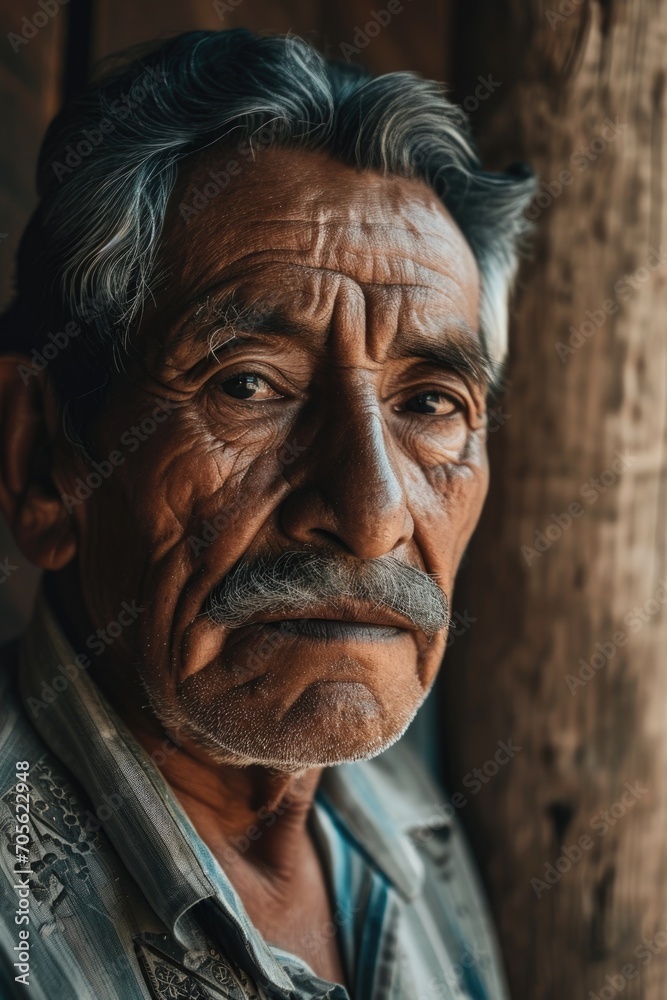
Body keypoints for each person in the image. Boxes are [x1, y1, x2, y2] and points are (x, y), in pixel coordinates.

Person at [0, 28, 535, 999]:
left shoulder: (402, 814)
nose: (371, 516)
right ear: (43, 461)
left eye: (429, 403)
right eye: (248, 385)